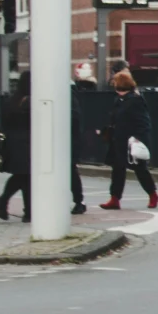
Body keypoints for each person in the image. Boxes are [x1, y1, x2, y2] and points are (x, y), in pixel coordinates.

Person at [99, 70, 158, 210]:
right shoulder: (119, 100)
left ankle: (152, 194)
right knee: (117, 170)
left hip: (131, 140)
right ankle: (115, 198)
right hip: (118, 140)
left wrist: (139, 139)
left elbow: (143, 122)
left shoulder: (135, 100)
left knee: (140, 169)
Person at [0, 71, 32, 222]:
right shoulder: (29, 101)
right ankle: (8, 202)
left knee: (23, 176)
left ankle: (24, 209)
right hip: (27, 143)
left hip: (12, 143)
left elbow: (4, 122)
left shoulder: (11, 101)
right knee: (25, 176)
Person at [71, 82, 86, 215]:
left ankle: (79, 201)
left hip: (69, 142)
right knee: (71, 172)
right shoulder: (73, 98)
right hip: (70, 142)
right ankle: (78, 201)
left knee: (71, 172)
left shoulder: (69, 98)